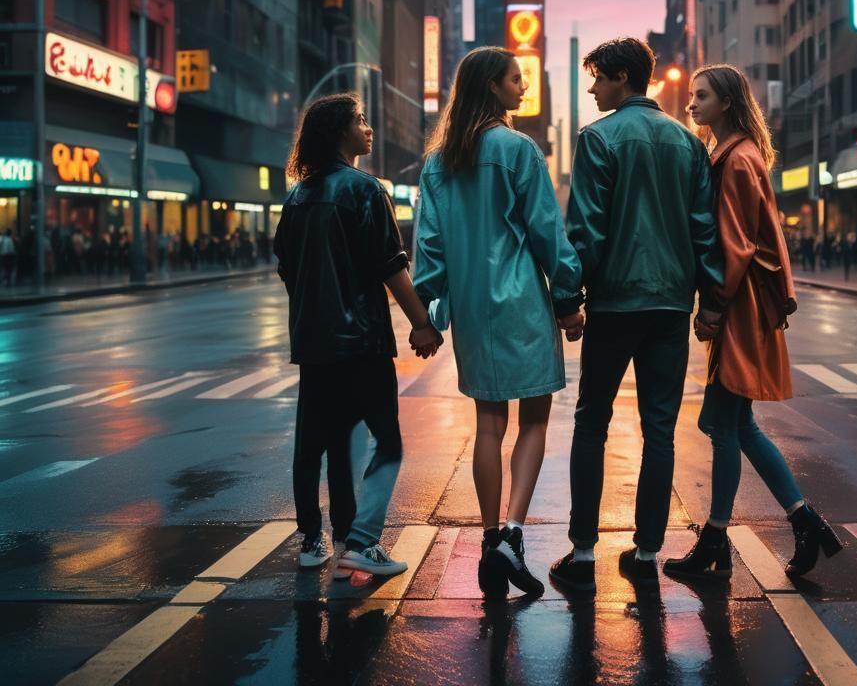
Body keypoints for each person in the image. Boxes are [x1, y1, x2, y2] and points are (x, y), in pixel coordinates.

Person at [549, 37, 721, 592]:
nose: (594, 88)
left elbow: (586, 231)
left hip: (615, 302)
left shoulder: (598, 138)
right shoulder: (688, 143)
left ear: (622, 77)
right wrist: (711, 301)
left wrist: (569, 300)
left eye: (598, 78)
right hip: (671, 304)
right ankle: (647, 552)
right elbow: (704, 230)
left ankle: (581, 553)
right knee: (661, 429)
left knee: (591, 421)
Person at [413, 48, 585, 599]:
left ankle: (490, 539)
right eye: (515, 79)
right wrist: (569, 297)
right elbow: (546, 233)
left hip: (473, 310)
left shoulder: (438, 163)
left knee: (488, 425)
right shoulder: (518, 150)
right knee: (533, 421)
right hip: (523, 306)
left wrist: (431, 314)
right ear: (491, 86)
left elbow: (430, 250)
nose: (523, 88)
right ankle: (513, 533)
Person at [664, 64, 841, 581]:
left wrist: (713, 306)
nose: (692, 104)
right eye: (692, 95)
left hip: (739, 307)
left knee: (723, 424)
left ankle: (717, 540)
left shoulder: (737, 160)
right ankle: (804, 522)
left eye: (702, 96)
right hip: (741, 305)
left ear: (728, 102)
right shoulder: (734, 153)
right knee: (733, 423)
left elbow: (736, 246)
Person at [274, 93, 442, 580]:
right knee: (385, 442)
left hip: (313, 344)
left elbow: (287, 268)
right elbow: (391, 266)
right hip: (363, 342)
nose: (368, 128)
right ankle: (361, 540)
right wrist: (422, 323)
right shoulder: (365, 190)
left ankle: (313, 539)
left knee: (317, 444)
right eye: (360, 120)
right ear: (338, 132)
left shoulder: (297, 196)